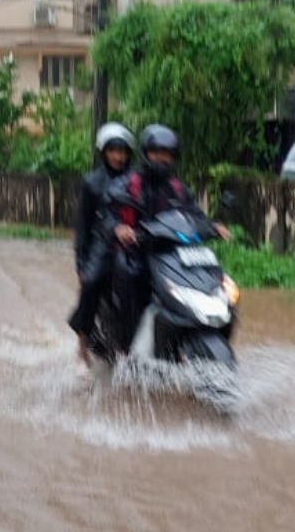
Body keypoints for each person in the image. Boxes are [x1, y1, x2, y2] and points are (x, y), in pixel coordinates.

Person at [109, 125, 231, 352]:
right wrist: (119, 228)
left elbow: (194, 213)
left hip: (173, 253)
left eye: (167, 153)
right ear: (146, 153)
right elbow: (110, 212)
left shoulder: (177, 187)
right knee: (130, 275)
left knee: (215, 280)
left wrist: (211, 226)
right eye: (157, 152)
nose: (162, 158)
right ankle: (125, 347)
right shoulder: (129, 184)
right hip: (137, 251)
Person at [67, 122, 135, 363]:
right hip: (102, 245)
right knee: (91, 283)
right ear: (103, 152)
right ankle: (82, 350)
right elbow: (83, 226)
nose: (119, 156)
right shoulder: (92, 182)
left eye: (123, 151)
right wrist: (81, 264)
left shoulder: (136, 180)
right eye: (114, 150)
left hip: (134, 243)